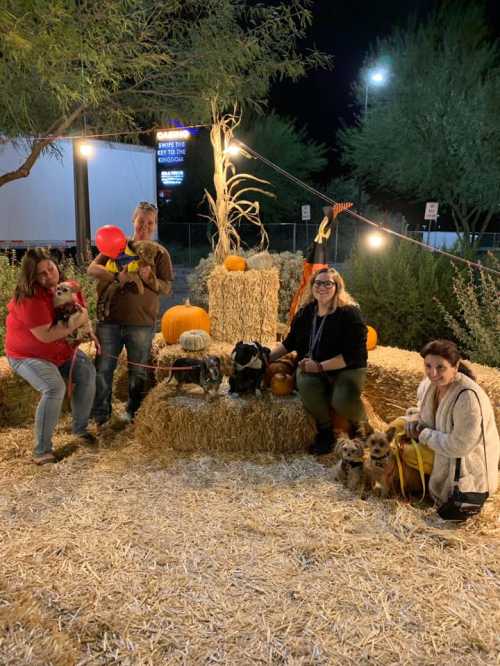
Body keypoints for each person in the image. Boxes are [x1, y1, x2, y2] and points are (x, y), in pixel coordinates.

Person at [5, 248, 98, 465]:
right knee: (54, 387)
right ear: (32, 277)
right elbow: (47, 335)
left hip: (60, 350)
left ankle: (80, 429)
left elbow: (82, 312)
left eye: (51, 268)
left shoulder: (68, 286)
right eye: (42, 274)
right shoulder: (29, 299)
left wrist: (87, 326)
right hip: (27, 355)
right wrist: (77, 321)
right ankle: (41, 451)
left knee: (87, 373)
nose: (49, 275)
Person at [88, 201, 174, 427]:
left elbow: (167, 288)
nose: (144, 226)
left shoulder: (160, 253)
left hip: (142, 323)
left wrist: (149, 279)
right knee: (104, 369)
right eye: (140, 221)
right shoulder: (117, 245)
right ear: (133, 221)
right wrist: (117, 278)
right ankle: (101, 416)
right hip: (109, 322)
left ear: (154, 226)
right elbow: (92, 269)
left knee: (138, 372)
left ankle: (134, 414)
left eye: (150, 223)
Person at [269, 266, 368, 455]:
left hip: (346, 368)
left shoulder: (349, 314)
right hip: (313, 367)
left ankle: (363, 429)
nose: (322, 287)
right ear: (312, 286)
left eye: (328, 283)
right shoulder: (306, 313)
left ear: (337, 287)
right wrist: (266, 358)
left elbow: (353, 356)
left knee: (341, 400)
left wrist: (321, 366)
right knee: (304, 381)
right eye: (318, 283)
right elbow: (290, 343)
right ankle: (325, 432)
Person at [404, 339, 499, 517]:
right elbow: (422, 410)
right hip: (439, 447)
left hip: (464, 465)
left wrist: (423, 434)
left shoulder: (468, 398)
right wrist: (415, 418)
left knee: (406, 452)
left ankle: (417, 490)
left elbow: (459, 446)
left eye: (441, 367)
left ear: (455, 367)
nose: (433, 373)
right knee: (397, 430)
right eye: (428, 365)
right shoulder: (428, 385)